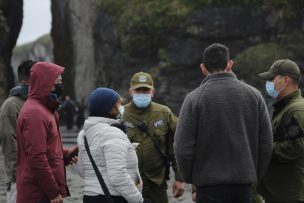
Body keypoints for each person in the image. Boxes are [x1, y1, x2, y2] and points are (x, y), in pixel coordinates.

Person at [174, 43, 273, 203]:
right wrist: (254, 176)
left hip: (208, 187)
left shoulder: (193, 99)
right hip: (243, 186)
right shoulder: (254, 95)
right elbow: (266, 145)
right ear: (229, 64)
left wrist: (191, 179)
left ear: (203, 68)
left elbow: (182, 148)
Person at [16, 62, 78, 203]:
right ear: (45, 83)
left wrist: (65, 155)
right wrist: (53, 193)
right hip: (38, 194)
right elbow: (37, 157)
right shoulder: (35, 112)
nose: (60, 85)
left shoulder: (45, 109)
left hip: (42, 192)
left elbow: (47, 147)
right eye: (57, 82)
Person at [76, 87, 148, 203]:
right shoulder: (112, 133)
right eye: (119, 104)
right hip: (112, 197)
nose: (122, 108)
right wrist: (139, 200)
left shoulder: (84, 134)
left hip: (90, 196)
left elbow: (82, 171)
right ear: (110, 109)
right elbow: (118, 176)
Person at [122, 72, 185, 203]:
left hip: (156, 181)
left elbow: (175, 148)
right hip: (126, 182)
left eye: (146, 90)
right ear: (130, 92)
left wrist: (179, 178)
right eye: (138, 90)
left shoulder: (164, 113)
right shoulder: (120, 114)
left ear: (153, 92)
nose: (142, 93)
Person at [257, 59, 304, 203]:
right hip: (278, 192)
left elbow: (296, 146)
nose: (269, 83)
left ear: (285, 80)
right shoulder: (285, 108)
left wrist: (263, 148)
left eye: (272, 79)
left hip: (289, 194)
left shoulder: (296, 110)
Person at [0, 60, 36, 203]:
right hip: (20, 179)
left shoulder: (42, 102)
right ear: (24, 80)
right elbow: (10, 142)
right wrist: (17, 175)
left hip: (40, 176)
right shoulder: (11, 105)